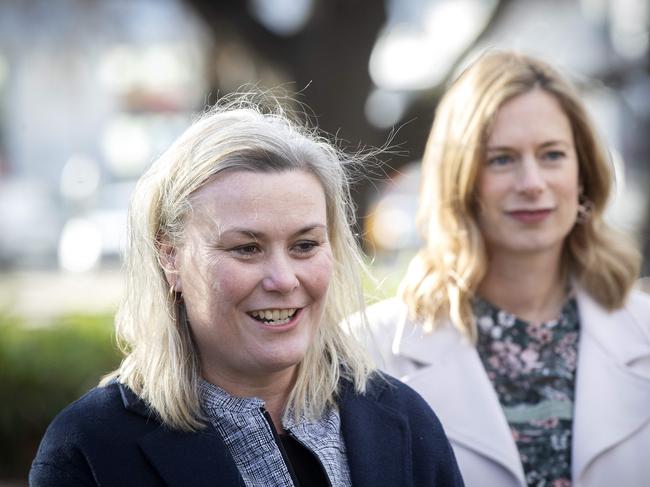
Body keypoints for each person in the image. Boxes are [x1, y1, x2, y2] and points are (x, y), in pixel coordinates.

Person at [30, 95, 464, 487]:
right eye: (247, 249)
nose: (283, 279)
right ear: (170, 258)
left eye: (305, 245)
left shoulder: (403, 422)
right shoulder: (89, 450)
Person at [363, 51, 650, 487]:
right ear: (460, 181)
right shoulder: (367, 353)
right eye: (502, 159)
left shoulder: (644, 329)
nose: (532, 183)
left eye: (552, 155)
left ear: (583, 175)